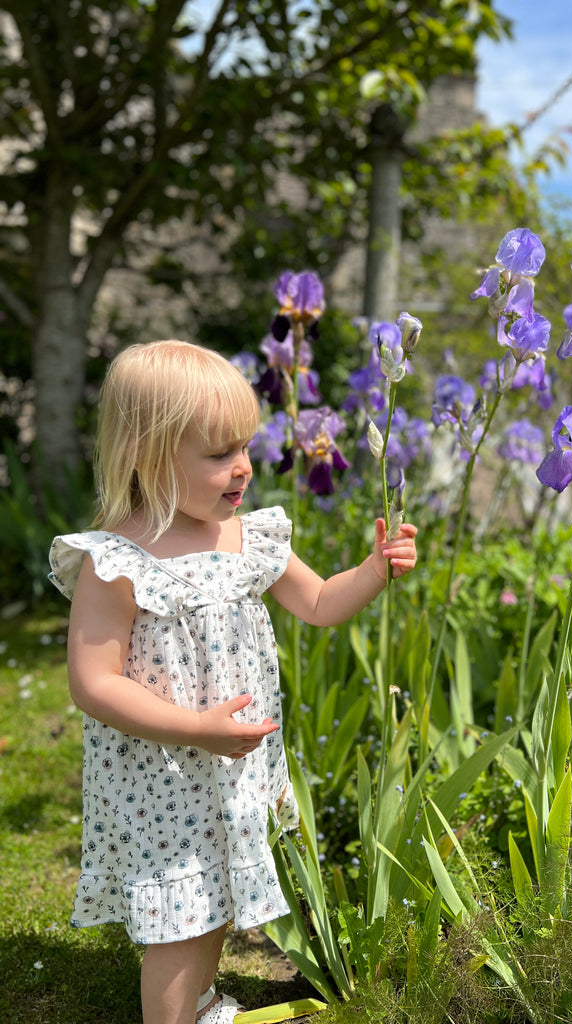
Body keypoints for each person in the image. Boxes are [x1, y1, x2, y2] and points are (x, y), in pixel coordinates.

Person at [48, 339, 418, 1024]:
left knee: (216, 896)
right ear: (147, 455)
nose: (243, 467)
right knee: (180, 920)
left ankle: (198, 1001)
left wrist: (373, 571)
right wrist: (196, 729)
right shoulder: (116, 563)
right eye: (218, 454)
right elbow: (93, 683)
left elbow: (318, 604)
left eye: (244, 447)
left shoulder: (249, 538)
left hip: (236, 764)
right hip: (162, 776)